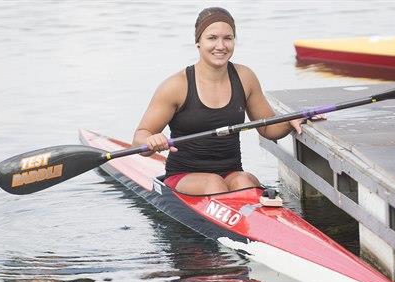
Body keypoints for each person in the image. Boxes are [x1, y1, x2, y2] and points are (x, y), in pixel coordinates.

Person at [132, 7, 311, 195]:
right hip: (184, 175)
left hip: (232, 172)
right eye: (212, 38)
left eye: (228, 38)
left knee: (246, 181)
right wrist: (150, 140)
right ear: (198, 42)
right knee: (213, 183)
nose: (221, 45)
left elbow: (268, 128)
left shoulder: (245, 77)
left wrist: (291, 120)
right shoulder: (176, 86)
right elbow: (139, 140)